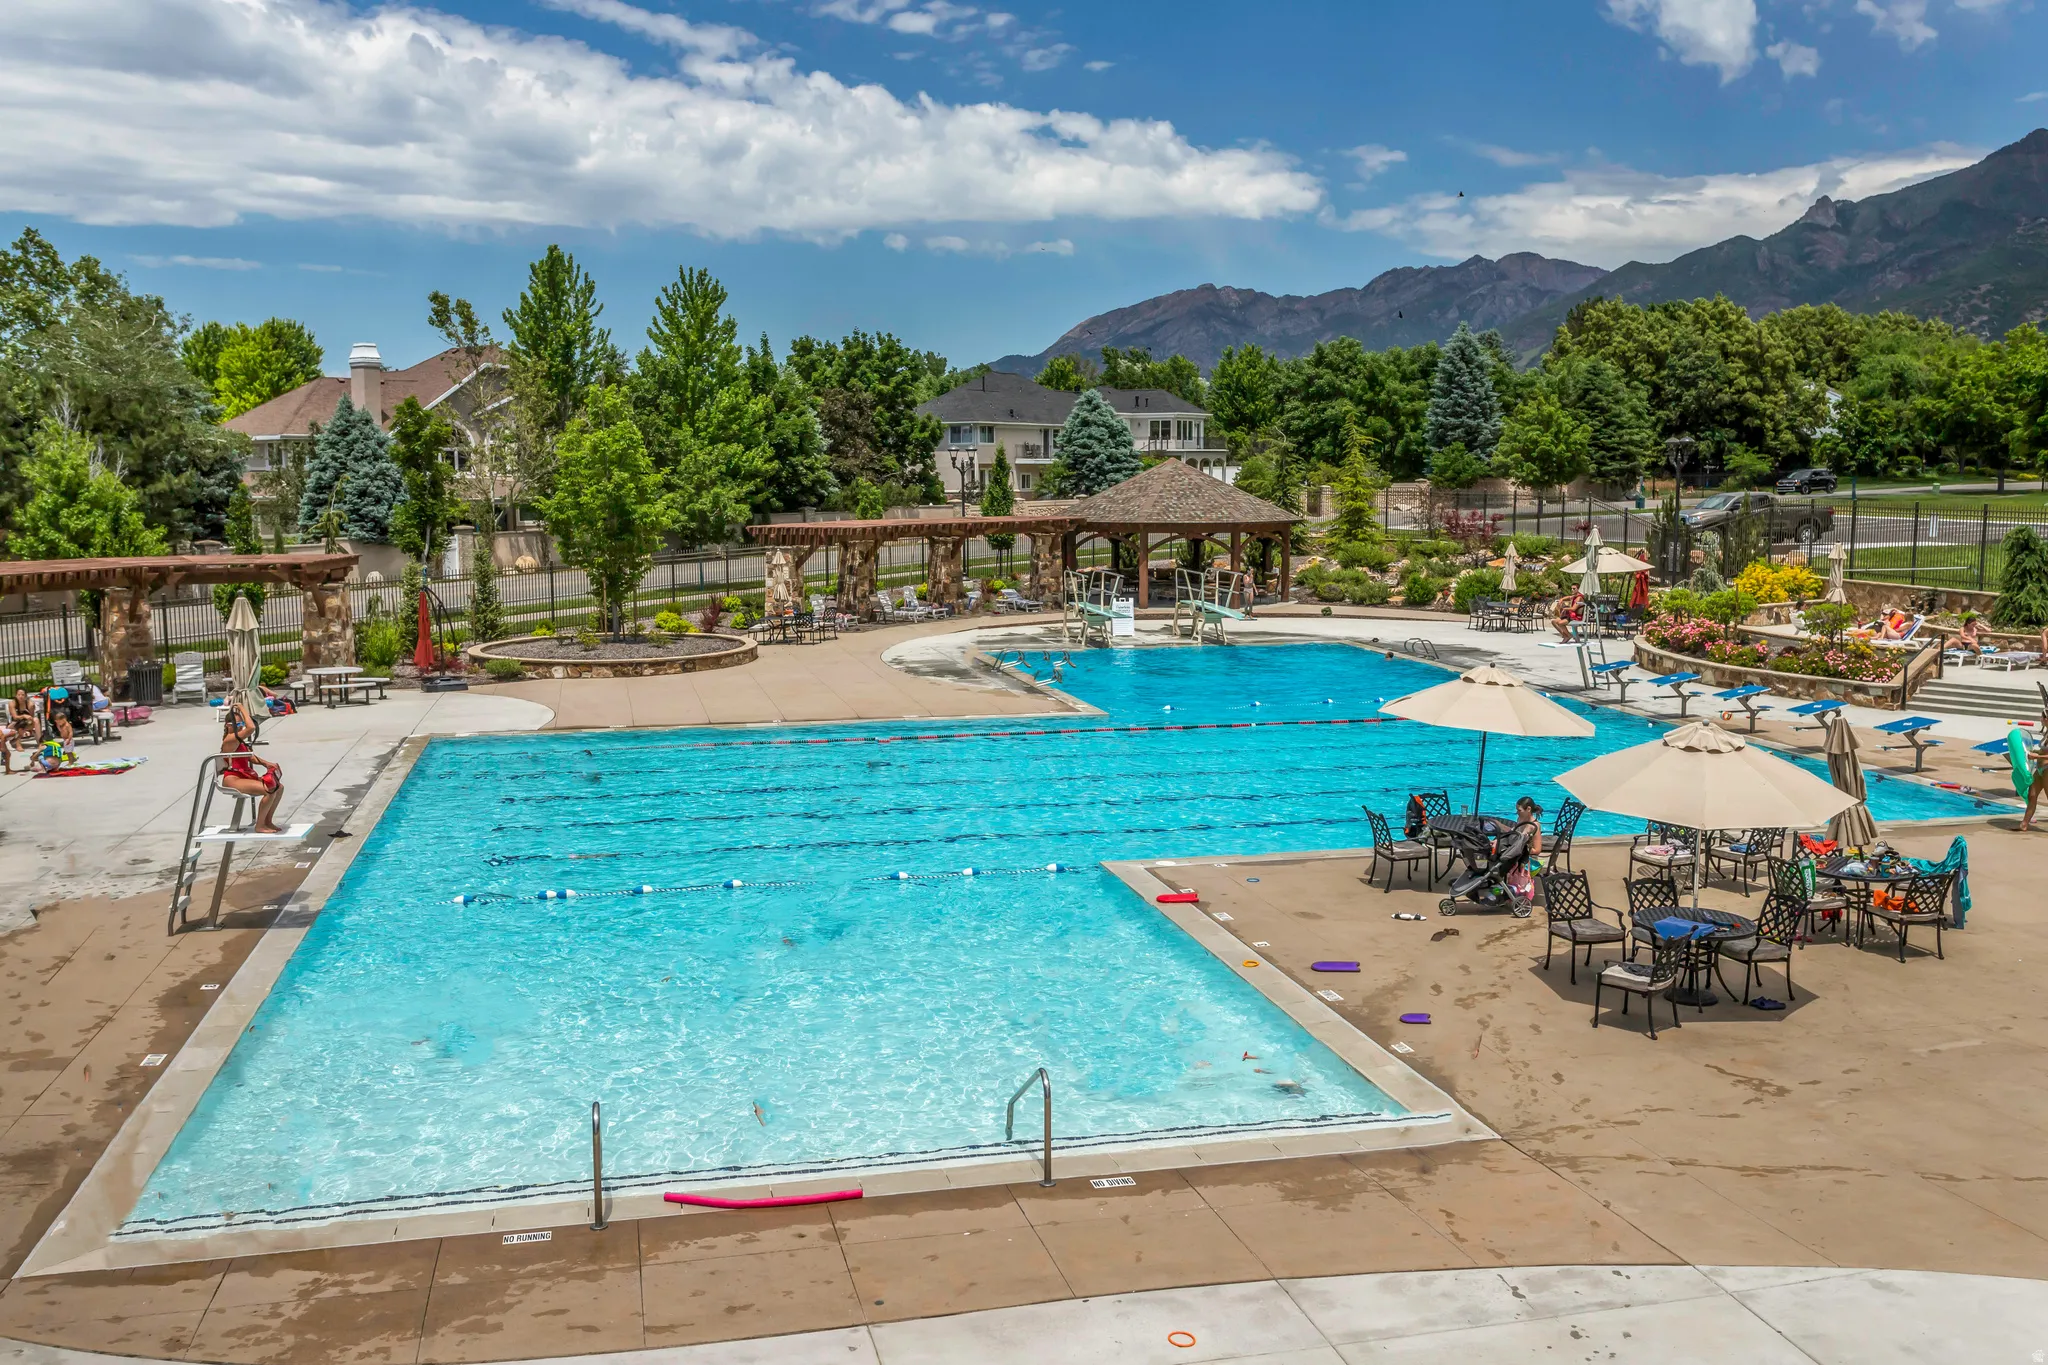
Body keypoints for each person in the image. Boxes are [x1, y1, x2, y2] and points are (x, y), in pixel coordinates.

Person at [219, 701, 285, 833]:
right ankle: (260, 825)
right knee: (269, 790)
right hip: (232, 779)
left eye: (241, 724)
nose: (240, 727)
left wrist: (266, 763)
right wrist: (243, 708)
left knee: (279, 787)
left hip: (242, 776)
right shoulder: (230, 739)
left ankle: (267, 821)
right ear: (228, 725)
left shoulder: (238, 739)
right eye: (237, 724)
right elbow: (251, 728)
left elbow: (249, 756)